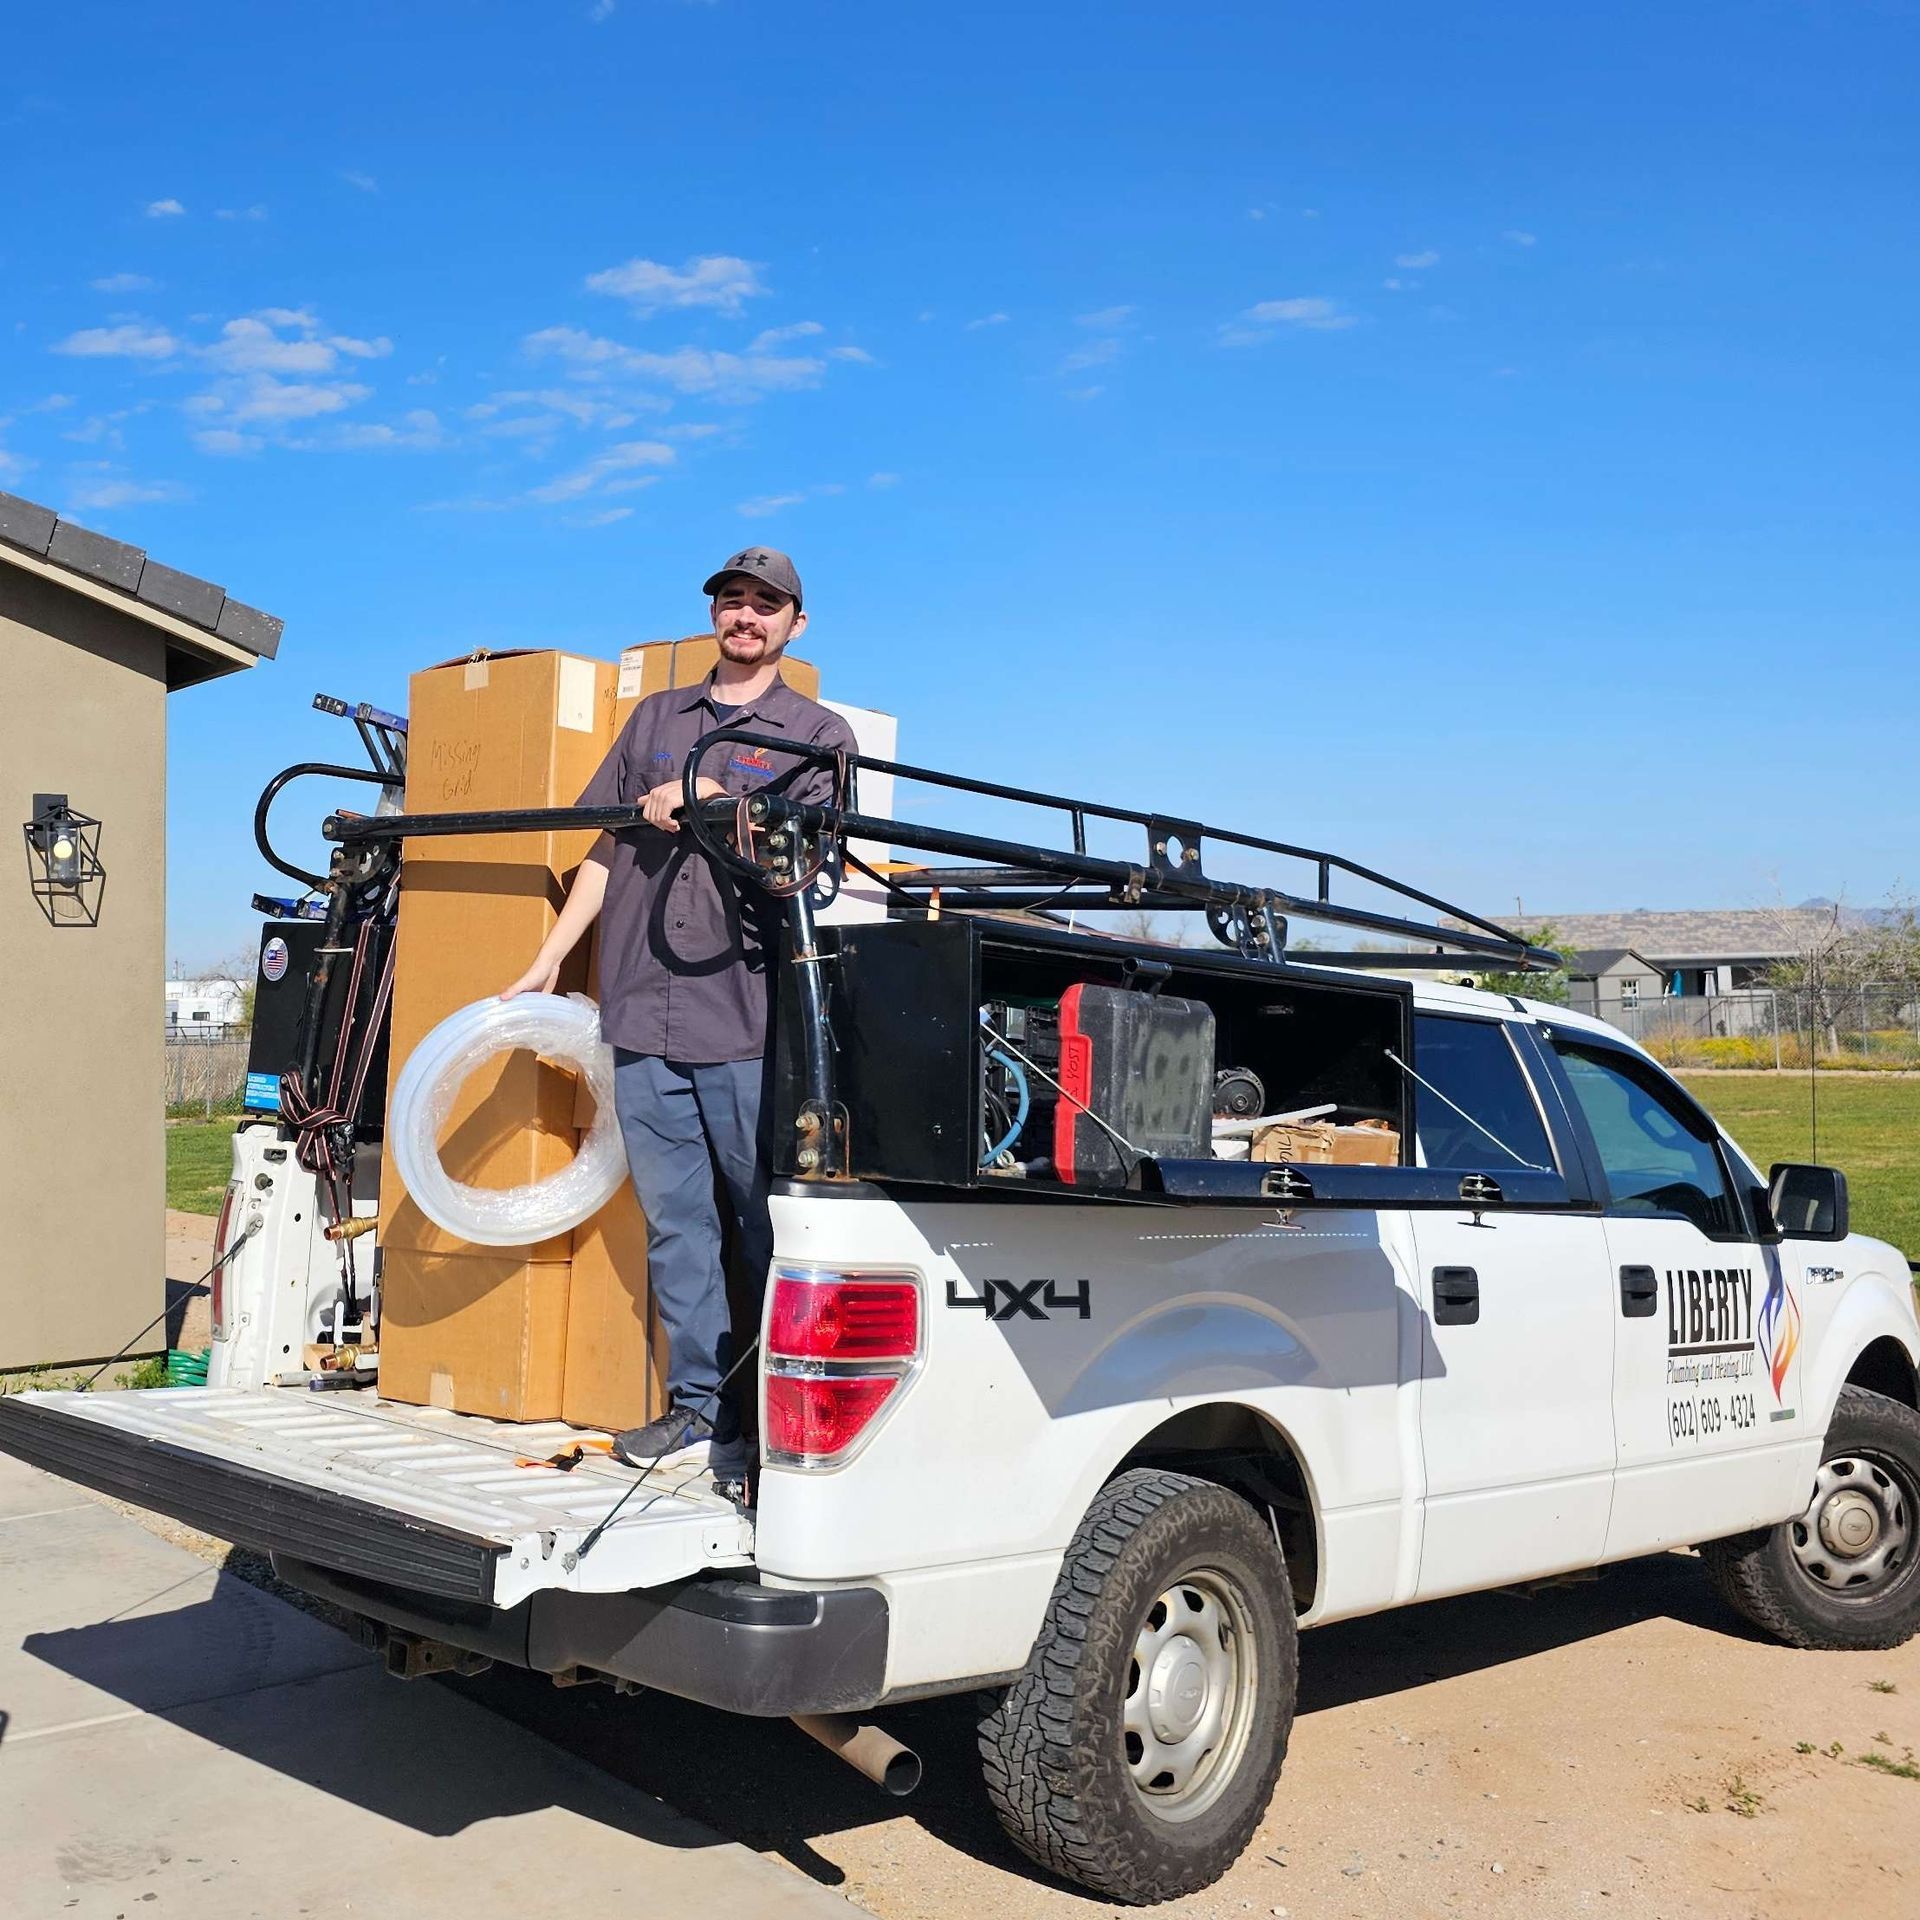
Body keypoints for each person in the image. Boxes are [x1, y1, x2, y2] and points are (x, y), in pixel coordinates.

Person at [500, 548, 854, 1492]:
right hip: (638, 1004)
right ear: (715, 615)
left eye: (766, 604)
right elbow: (609, 852)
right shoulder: (655, 718)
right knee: (675, 1222)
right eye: (732, 601)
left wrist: (709, 799)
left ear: (795, 625)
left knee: (758, 1224)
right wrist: (548, 960)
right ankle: (701, 1407)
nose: (746, 616)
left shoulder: (818, 734)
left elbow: (804, 868)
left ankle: (768, 1420)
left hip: (740, 1013)